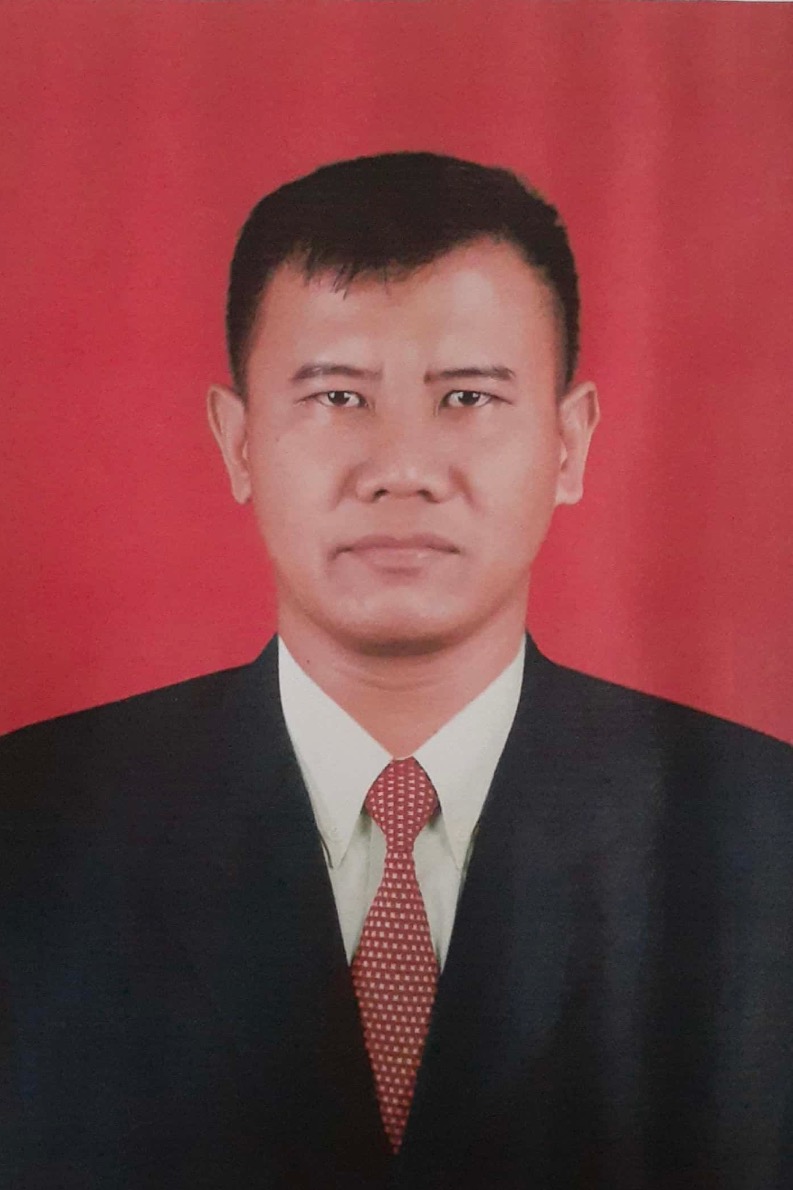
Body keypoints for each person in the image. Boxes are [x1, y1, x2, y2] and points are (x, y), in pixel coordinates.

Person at [1, 152, 791, 1190]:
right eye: (338, 396)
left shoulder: (757, 832)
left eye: (467, 396)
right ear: (238, 442)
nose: (403, 470)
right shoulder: (33, 823)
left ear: (567, 444)